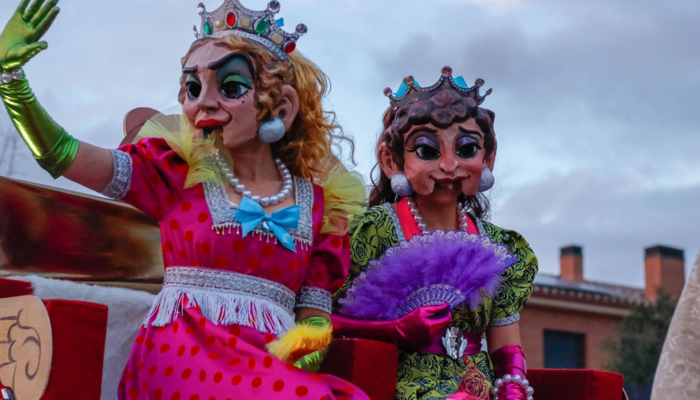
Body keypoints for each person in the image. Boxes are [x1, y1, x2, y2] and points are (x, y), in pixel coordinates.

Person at [0, 0, 368, 399]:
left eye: (230, 87)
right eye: (193, 88)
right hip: (184, 351)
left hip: (270, 367)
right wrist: (12, 82)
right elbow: (65, 155)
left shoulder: (320, 206)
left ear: (282, 106)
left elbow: (314, 319)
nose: (203, 103)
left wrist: (294, 358)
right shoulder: (172, 172)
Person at [332, 68, 539, 400]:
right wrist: (394, 330)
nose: (448, 165)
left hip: (478, 388)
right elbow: (318, 322)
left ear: (488, 157)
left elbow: (507, 348)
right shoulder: (369, 233)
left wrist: (513, 386)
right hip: (393, 386)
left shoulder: (501, 247)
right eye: (427, 151)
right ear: (392, 161)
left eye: (466, 149)